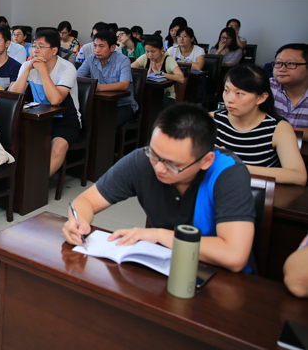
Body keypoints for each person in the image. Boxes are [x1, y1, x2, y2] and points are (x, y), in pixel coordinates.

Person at [62, 103, 256, 273]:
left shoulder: (227, 173)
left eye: (172, 164)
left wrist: (158, 235)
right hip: (162, 267)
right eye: (154, 154)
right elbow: (85, 200)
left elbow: (234, 256)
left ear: (206, 160)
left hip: (219, 277)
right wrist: (78, 222)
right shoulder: (144, 160)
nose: (159, 168)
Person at [214, 65, 306, 186]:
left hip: (251, 194)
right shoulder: (213, 119)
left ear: (261, 98)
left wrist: (237, 167)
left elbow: (298, 176)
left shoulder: (278, 128)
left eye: (239, 93)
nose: (229, 99)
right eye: (226, 90)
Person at [10, 28, 81, 178]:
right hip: (39, 119)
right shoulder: (28, 65)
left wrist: (43, 71)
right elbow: (14, 96)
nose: (36, 50)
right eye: (34, 46)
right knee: (16, 141)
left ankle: (37, 184)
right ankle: (20, 179)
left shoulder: (67, 68)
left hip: (66, 120)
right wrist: (27, 69)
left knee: (59, 146)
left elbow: (56, 100)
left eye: (41, 46)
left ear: (54, 50)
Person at [77, 30, 137, 127]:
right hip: (99, 102)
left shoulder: (123, 60)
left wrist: (97, 87)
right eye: (95, 46)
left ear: (112, 47)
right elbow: (77, 78)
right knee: (79, 118)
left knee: (104, 123)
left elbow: (124, 85)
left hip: (122, 105)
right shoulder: (91, 59)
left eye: (101, 46)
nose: (97, 50)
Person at [132, 35, 185, 108]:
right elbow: (129, 70)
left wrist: (160, 73)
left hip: (166, 96)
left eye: (153, 51)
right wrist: (145, 75)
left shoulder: (169, 60)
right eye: (147, 51)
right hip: (147, 93)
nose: (150, 55)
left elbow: (181, 78)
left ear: (162, 49)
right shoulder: (145, 57)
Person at [270, 43, 308, 128]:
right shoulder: (265, 87)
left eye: (290, 63)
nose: (282, 69)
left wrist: (286, 132)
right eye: (278, 63)